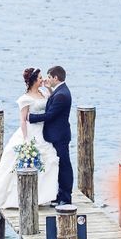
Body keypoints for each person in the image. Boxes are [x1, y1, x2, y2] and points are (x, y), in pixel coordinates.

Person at [0, 68, 59, 224]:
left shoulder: (45, 93)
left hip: (44, 132)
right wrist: (26, 140)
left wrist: (48, 87)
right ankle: (18, 198)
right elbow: (23, 120)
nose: (42, 80)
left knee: (49, 160)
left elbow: (53, 102)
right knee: (21, 164)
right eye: (40, 78)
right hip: (31, 132)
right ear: (33, 80)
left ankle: (43, 197)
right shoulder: (25, 99)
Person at [29, 65, 73, 206]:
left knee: (64, 165)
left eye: (49, 77)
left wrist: (31, 118)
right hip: (57, 134)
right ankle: (60, 195)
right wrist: (48, 88)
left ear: (56, 78)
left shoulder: (61, 95)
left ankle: (66, 197)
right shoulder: (59, 91)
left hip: (59, 136)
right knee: (59, 165)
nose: (47, 79)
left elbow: (50, 115)